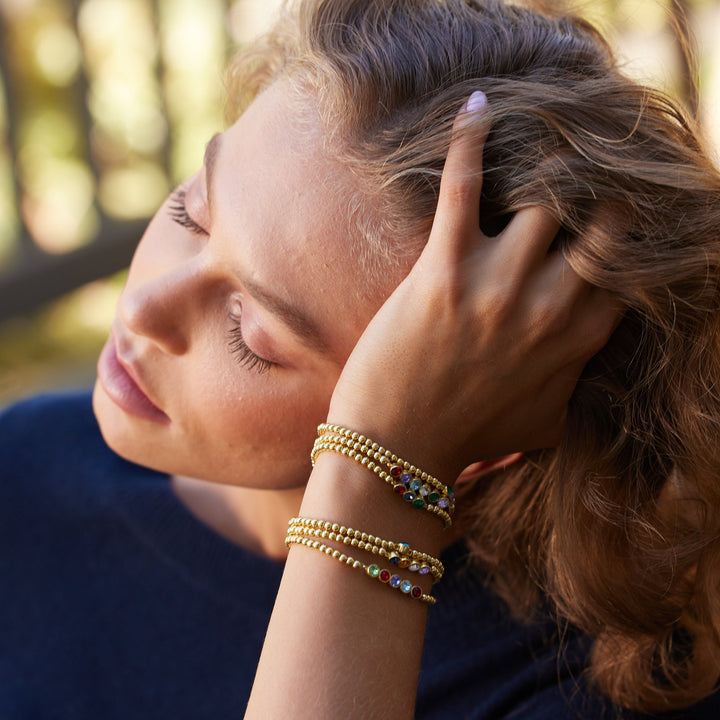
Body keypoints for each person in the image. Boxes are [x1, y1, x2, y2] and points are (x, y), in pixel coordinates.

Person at [2, 0, 720, 717]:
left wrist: (381, 480)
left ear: (486, 404)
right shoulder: (25, 471)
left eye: (251, 334)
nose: (142, 308)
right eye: (192, 211)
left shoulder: (588, 686)